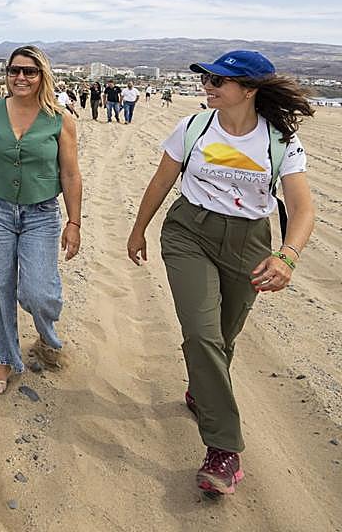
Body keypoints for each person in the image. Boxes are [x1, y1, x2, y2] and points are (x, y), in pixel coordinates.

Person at [126, 50, 315, 496]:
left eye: (219, 81)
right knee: (201, 332)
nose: (208, 86)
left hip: (249, 241)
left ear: (249, 90)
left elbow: (304, 209)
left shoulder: (280, 141)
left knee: (224, 336)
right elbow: (161, 181)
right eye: (207, 78)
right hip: (189, 232)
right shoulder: (192, 128)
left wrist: (287, 256)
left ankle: (202, 392)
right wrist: (139, 230)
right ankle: (223, 449)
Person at [0, 45, 83, 395]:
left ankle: (45, 334)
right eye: (15, 70)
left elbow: (71, 175)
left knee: (38, 291)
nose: (21, 77)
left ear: (42, 75)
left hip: (41, 215)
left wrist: (74, 222)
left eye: (29, 71)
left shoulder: (61, 119)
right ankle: (4, 358)